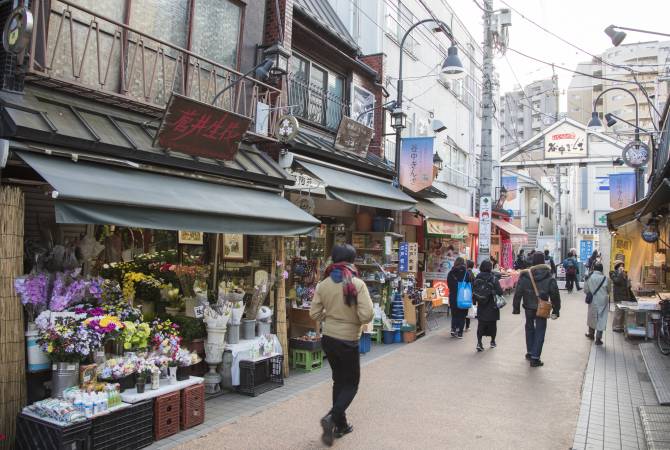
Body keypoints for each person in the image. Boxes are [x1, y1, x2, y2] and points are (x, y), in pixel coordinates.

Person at [310, 244, 374, 446]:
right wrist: (353, 319)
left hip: (328, 338)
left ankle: (341, 425)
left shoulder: (323, 284)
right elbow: (366, 314)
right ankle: (331, 418)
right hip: (348, 339)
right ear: (351, 261)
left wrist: (330, 317)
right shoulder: (357, 284)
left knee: (339, 381)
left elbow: (314, 313)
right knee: (352, 384)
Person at [513, 252, 561, 367]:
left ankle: (530, 352)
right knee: (540, 330)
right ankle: (535, 357)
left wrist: (516, 308)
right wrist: (556, 310)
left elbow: (518, 292)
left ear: (532, 261)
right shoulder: (548, 276)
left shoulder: (525, 275)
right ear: (544, 261)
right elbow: (555, 294)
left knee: (529, 328)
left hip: (528, 306)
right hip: (542, 307)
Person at [473, 259, 504, 351]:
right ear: (490, 268)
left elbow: (474, 290)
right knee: (493, 325)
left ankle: (479, 342)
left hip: (481, 305)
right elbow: (500, 292)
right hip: (492, 306)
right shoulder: (493, 278)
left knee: (481, 325)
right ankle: (492, 341)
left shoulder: (477, 277)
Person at [447, 257, 474, 338]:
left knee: (454, 314)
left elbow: (449, 285)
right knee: (462, 315)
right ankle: (460, 333)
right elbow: (471, 284)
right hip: (464, 297)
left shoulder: (451, 272)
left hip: (453, 296)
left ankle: (453, 329)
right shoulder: (467, 273)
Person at [585, 262, 609, 345]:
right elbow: (609, 290)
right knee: (601, 318)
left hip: (593, 300)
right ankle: (598, 339)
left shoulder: (589, 277)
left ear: (594, 269)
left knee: (592, 316)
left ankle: (591, 334)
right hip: (603, 301)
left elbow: (586, 290)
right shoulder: (606, 278)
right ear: (602, 269)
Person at [610, 260, 634, 332]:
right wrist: (620, 273)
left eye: (623, 265)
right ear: (617, 266)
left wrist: (629, 283)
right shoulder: (612, 273)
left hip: (625, 295)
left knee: (623, 312)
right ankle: (615, 327)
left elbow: (626, 284)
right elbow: (617, 281)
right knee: (618, 312)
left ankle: (621, 327)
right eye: (620, 266)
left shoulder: (624, 274)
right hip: (618, 295)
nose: (622, 267)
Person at [465, 260, 476, 332]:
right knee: (468, 309)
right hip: (471, 294)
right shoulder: (472, 274)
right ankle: (467, 326)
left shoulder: (466, 273)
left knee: (464, 309)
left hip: (465, 293)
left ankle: (463, 326)